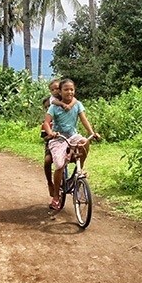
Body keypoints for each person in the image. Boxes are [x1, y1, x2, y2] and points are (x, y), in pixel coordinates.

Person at [42, 79, 99, 211]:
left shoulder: (77, 104)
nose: (69, 92)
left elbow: (84, 120)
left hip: (73, 136)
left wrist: (92, 133)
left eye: (72, 89)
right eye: (66, 89)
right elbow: (46, 122)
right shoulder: (54, 106)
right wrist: (51, 133)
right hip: (58, 138)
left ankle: (79, 171)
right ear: (60, 92)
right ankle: (56, 196)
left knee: (84, 142)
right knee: (59, 165)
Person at [42, 79, 77, 198]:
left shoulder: (70, 101)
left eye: (58, 88)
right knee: (47, 161)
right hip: (52, 136)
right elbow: (46, 123)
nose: (56, 91)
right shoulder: (52, 103)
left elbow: (75, 102)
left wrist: (69, 105)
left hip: (67, 136)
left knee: (76, 154)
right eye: (53, 89)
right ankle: (50, 183)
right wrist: (50, 133)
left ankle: (76, 176)